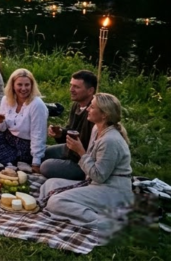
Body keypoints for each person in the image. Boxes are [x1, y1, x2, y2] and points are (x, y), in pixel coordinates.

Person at [39, 93, 133, 238]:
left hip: (113, 191)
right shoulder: (97, 129)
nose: (88, 109)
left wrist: (80, 152)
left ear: (104, 115)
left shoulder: (110, 141)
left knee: (56, 201)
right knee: (49, 184)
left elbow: (99, 176)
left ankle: (105, 223)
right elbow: (91, 170)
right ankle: (72, 209)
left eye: (92, 107)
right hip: (93, 183)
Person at [41, 70, 97, 181]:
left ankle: (79, 175)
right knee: (42, 153)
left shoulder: (95, 112)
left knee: (45, 167)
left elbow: (90, 146)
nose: (71, 90)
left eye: (76, 87)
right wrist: (60, 133)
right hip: (70, 150)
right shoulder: (76, 105)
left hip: (83, 160)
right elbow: (72, 131)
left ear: (90, 91)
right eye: (71, 85)